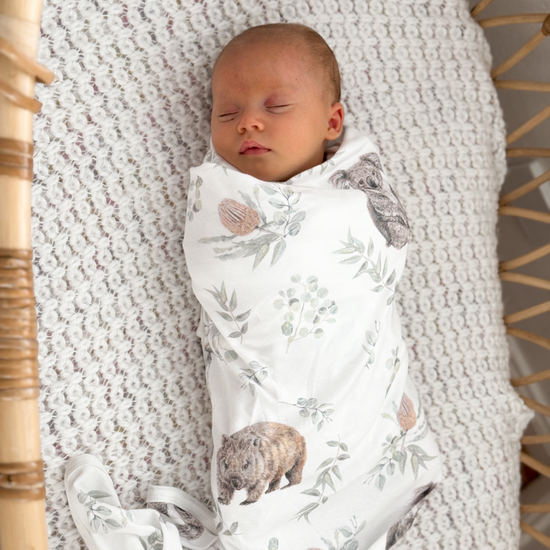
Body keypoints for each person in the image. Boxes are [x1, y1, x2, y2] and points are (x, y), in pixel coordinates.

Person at [65, 23, 442, 550]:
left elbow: (384, 244)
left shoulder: (355, 194)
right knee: (268, 480)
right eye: (227, 113)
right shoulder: (225, 198)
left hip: (373, 413)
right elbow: (221, 265)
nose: (247, 122)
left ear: (333, 122)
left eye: (276, 106)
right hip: (279, 393)